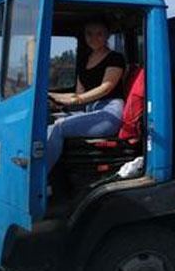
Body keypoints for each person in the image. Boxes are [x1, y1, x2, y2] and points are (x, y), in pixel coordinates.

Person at [47, 18, 126, 171]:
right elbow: (78, 93)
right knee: (46, 119)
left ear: (107, 35)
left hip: (110, 113)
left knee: (58, 127)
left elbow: (105, 88)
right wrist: (51, 95)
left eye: (99, 34)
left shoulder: (115, 58)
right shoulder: (85, 60)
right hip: (91, 110)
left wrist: (77, 100)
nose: (93, 38)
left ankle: (40, 176)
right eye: (89, 34)